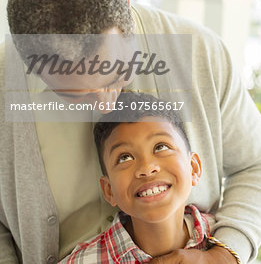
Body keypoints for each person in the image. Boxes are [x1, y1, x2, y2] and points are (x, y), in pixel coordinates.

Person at [0, 0, 261, 264]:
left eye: (115, 75)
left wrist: (225, 255)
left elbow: (257, 166)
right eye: (75, 95)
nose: (108, 104)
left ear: (126, 7)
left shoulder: (200, 50)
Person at [60, 91, 235, 263]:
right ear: (109, 190)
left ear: (193, 168)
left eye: (160, 147)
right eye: (125, 157)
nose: (146, 168)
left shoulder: (228, 240)